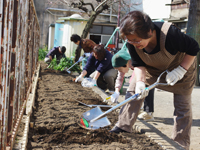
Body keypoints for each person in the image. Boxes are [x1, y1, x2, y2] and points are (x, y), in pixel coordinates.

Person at [110, 11, 199, 150]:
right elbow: (138, 63)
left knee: (183, 107)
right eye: (130, 40)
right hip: (152, 70)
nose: (133, 43)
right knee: (133, 92)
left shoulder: (170, 34)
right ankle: (123, 126)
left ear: (150, 32)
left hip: (180, 70)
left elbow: (194, 47)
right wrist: (140, 82)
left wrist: (181, 70)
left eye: (136, 40)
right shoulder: (131, 43)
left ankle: (180, 143)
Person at [111, 49, 155, 121]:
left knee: (146, 87)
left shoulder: (135, 59)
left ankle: (148, 113)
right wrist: (116, 91)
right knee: (135, 88)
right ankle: (139, 109)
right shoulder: (122, 61)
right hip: (139, 69)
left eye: (120, 69)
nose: (120, 71)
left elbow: (135, 78)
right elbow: (120, 77)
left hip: (148, 68)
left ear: (126, 64)